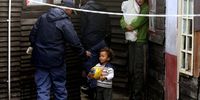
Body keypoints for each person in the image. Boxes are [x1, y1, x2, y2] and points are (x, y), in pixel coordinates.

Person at [29, 0, 91, 99]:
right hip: (56, 62)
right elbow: (74, 42)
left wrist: (36, 47)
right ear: (68, 9)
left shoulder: (43, 17)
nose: (71, 15)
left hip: (40, 60)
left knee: (42, 89)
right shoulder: (65, 22)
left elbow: (32, 36)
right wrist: (83, 54)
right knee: (59, 88)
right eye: (71, 12)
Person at [79, 0, 110, 99]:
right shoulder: (104, 8)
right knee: (99, 67)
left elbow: (83, 28)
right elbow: (108, 27)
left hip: (89, 42)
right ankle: (98, 92)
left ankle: (92, 92)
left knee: (91, 68)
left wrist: (82, 43)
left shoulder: (85, 9)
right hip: (101, 41)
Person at [120, 0, 149, 100]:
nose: (140, 0)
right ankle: (132, 94)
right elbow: (122, 20)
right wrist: (125, 25)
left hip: (140, 43)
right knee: (131, 69)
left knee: (138, 70)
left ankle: (137, 96)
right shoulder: (130, 6)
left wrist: (129, 26)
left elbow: (137, 23)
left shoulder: (145, 8)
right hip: (132, 42)